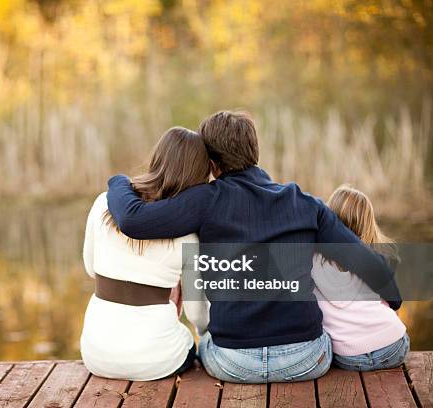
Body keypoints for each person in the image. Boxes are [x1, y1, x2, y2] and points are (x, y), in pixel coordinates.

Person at [106, 111, 402, 383]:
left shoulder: (204, 200)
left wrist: (117, 180)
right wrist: (394, 299)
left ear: (212, 164)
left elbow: (132, 219)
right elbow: (365, 261)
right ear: (256, 153)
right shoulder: (303, 202)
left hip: (233, 363)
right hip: (306, 361)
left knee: (203, 343)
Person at [80, 127, 210, 381]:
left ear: (157, 158)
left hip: (96, 354)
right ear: (200, 175)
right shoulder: (188, 235)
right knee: (186, 344)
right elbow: (197, 315)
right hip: (156, 360)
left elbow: (90, 268)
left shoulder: (103, 204)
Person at [312, 185, 409, 371]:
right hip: (393, 346)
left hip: (349, 357)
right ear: (368, 224)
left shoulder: (310, 261)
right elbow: (391, 305)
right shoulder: (376, 261)